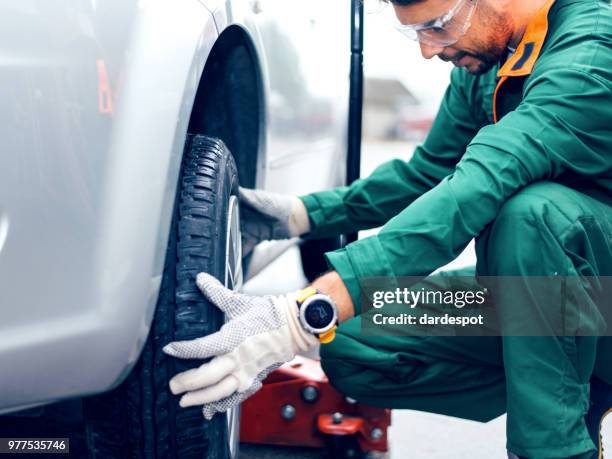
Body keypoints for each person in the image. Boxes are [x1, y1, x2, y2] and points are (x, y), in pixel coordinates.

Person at [163, 0, 612, 457]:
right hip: (539, 296)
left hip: (600, 298)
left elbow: (480, 182)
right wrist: (300, 214)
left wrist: (305, 313)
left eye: (437, 26)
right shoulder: (485, 67)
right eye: (413, 33)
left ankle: (555, 444)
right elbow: (427, 175)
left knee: (532, 216)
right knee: (347, 338)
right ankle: (565, 375)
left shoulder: (591, 51)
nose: (426, 50)